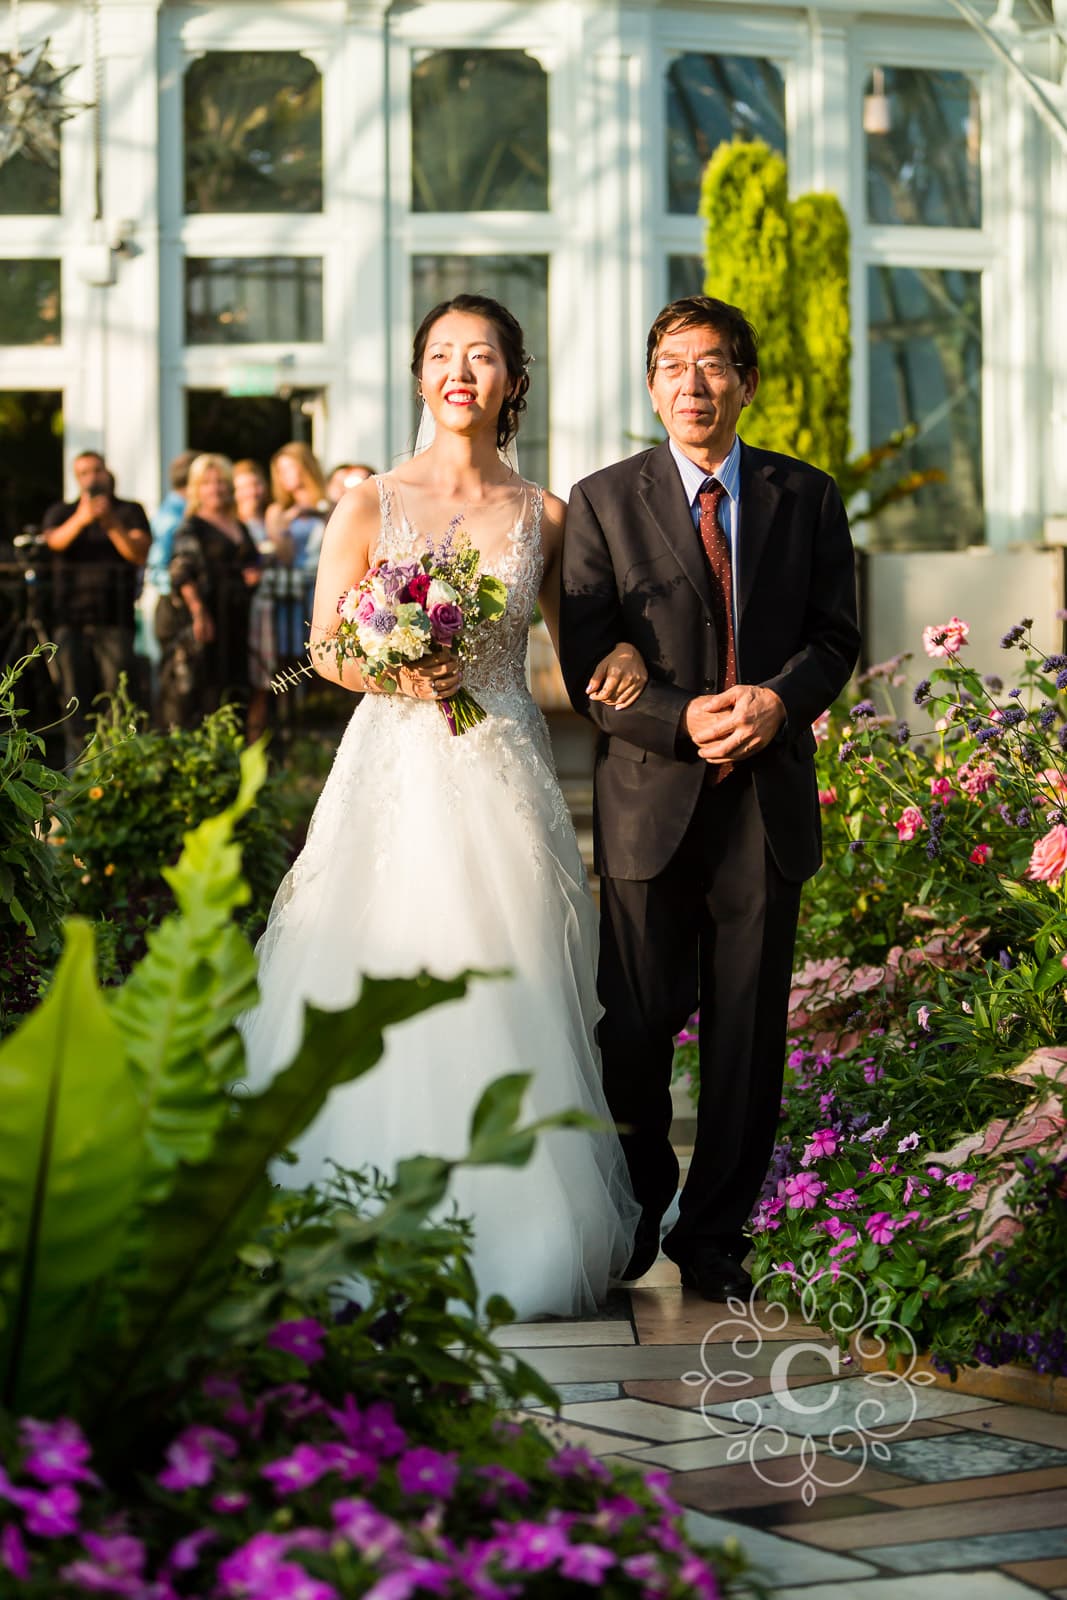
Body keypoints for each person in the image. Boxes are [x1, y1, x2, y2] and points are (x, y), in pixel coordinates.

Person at [240, 294, 645, 1319]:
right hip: (394, 770)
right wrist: (392, 665)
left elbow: (576, 651)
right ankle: (361, 1220)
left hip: (502, 772)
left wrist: (629, 661)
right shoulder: (372, 501)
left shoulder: (543, 516)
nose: (460, 369)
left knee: (504, 983)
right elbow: (324, 647)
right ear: (419, 374)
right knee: (376, 966)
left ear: (513, 378)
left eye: (483, 355)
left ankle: (518, 1230)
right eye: (441, 354)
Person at [559, 294, 861, 1302]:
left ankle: (713, 1234)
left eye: (714, 364)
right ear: (650, 386)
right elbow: (585, 649)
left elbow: (833, 637)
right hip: (650, 800)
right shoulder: (602, 500)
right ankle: (639, 1203)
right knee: (634, 1025)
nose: (694, 384)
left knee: (746, 1029)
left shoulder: (804, 497)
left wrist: (779, 701)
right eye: (673, 366)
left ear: (746, 381)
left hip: (763, 804)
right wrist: (681, 715)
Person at [41, 451, 151, 761]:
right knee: (75, 697)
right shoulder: (62, 512)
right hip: (70, 620)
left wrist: (110, 522)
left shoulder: (129, 511)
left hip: (115, 619)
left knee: (117, 696)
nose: (92, 477)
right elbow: (55, 542)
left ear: (107, 472)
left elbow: (138, 553)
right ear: (77, 478)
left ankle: (117, 765)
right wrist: (83, 518)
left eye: (96, 470)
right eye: (84, 472)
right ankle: (79, 767)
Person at [156, 453, 260, 728]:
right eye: (207, 483)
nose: (215, 488)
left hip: (237, 621)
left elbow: (251, 562)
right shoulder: (191, 527)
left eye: (221, 482)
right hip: (206, 619)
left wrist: (252, 575)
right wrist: (199, 612)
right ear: (196, 488)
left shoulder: (239, 525)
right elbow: (181, 572)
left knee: (235, 694)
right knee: (202, 694)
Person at [138, 449, 199, 701]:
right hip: (172, 603)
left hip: (175, 599)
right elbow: (157, 567)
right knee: (175, 680)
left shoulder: (177, 511)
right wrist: (176, 590)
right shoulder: (173, 517)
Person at [265, 442, 330, 668]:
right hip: (292, 590)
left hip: (323, 586)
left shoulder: (329, 505)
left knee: (326, 653)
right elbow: (284, 555)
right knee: (291, 658)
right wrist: (290, 518)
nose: (285, 476)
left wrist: (320, 514)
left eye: (289, 468)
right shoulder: (277, 511)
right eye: (279, 471)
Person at [233, 458, 276, 742]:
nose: (252, 491)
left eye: (256, 484)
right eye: (244, 486)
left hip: (267, 606)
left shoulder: (271, 519)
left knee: (265, 679)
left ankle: (257, 743)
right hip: (239, 607)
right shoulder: (233, 525)